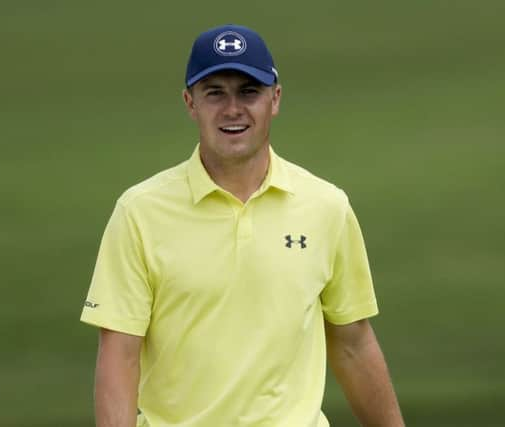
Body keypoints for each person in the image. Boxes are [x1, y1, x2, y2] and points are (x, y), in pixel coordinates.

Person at [80, 24, 405, 427]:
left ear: (275, 99)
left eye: (248, 92)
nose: (233, 109)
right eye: (215, 93)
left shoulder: (326, 206)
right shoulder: (139, 212)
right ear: (190, 102)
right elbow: (119, 356)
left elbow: (353, 342)